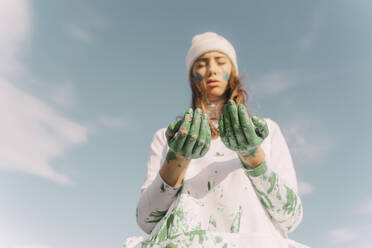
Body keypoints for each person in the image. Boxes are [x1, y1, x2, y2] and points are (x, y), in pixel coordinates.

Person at [124, 32, 309, 248]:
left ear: (232, 72)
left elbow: (291, 217)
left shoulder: (266, 131)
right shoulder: (168, 137)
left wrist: (253, 157)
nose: (211, 69)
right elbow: (146, 220)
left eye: (220, 61)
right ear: (192, 76)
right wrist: (178, 158)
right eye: (201, 64)